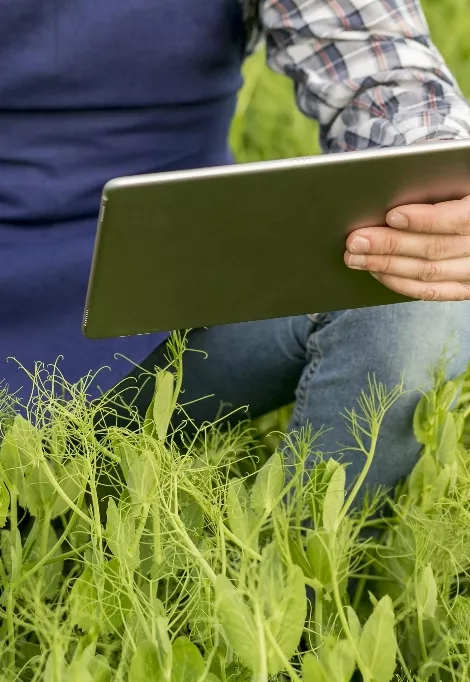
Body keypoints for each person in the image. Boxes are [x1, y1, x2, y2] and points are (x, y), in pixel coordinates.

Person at [2, 0, 470, 493]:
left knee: (410, 296)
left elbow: (384, 70)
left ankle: (297, 564)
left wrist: (442, 188)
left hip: (174, 317)